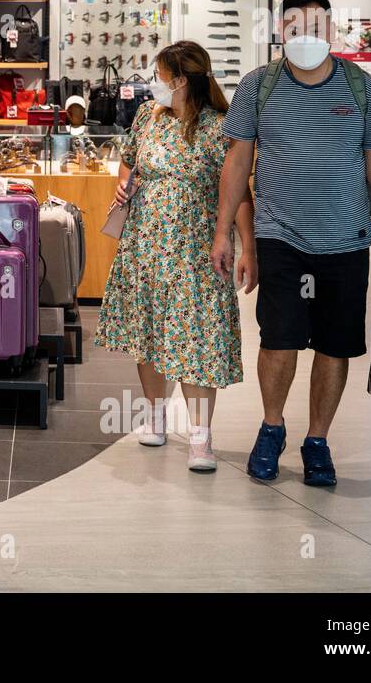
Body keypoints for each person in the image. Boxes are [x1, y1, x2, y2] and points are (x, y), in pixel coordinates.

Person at [213, 0, 371, 486]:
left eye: (317, 27)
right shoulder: (257, 87)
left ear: (332, 31)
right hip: (280, 237)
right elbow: (238, 161)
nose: (306, 36)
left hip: (345, 240)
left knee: (335, 345)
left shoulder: (361, 88)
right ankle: (272, 427)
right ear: (280, 32)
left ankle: (318, 441)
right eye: (295, 27)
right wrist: (225, 234)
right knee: (279, 340)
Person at [95, 42, 256, 472]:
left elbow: (239, 194)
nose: (155, 82)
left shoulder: (220, 127)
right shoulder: (148, 117)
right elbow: (128, 163)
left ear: (181, 80)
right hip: (145, 244)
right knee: (147, 331)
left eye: (160, 75)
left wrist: (248, 248)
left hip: (197, 249)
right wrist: (124, 185)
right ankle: (155, 415)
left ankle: (200, 437)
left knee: (196, 338)